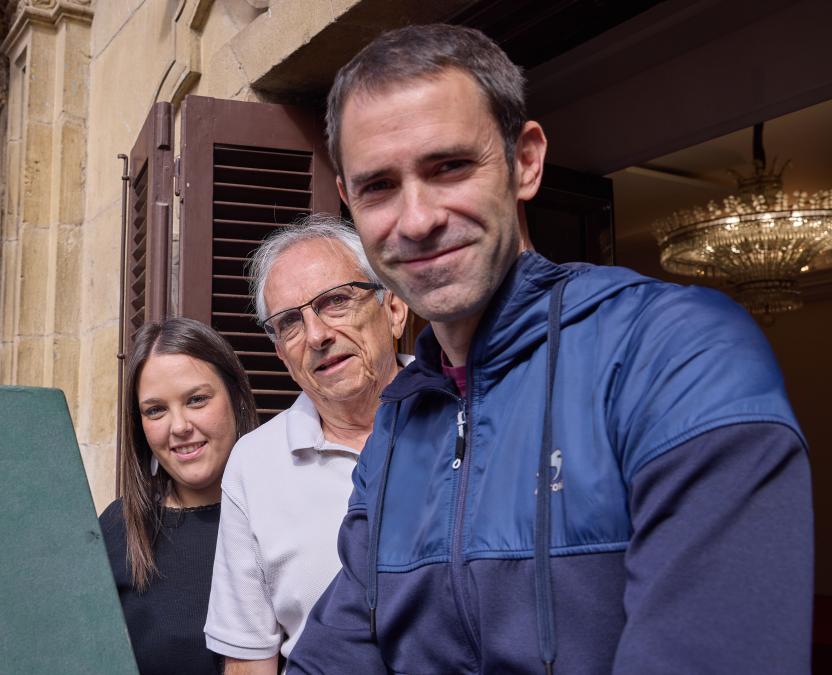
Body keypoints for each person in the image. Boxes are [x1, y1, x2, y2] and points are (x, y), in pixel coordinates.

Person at [288, 24, 812, 674]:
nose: (417, 219)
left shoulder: (677, 350)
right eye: (379, 187)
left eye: (449, 166)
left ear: (525, 161)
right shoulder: (400, 422)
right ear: (350, 203)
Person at [204, 215, 408, 673]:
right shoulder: (255, 465)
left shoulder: (464, 415)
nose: (317, 335)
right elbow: (248, 660)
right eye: (290, 322)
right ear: (280, 353)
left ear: (393, 308)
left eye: (336, 301)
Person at [99, 317, 259, 675]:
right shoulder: (116, 529)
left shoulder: (286, 512)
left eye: (197, 400)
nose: (180, 426)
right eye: (156, 410)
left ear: (236, 397)